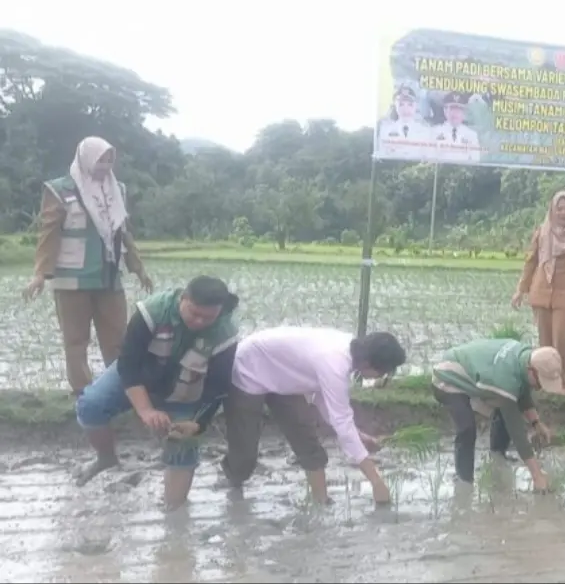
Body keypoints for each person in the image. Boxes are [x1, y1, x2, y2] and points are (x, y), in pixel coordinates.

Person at [73, 276, 240, 509]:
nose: (200, 321)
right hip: (140, 373)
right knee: (91, 405)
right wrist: (145, 410)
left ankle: (174, 513)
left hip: (187, 387)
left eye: (208, 317)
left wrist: (198, 424)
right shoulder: (151, 312)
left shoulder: (225, 335)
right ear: (183, 298)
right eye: (194, 313)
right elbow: (128, 365)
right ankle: (106, 457)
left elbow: (217, 388)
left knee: (184, 445)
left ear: (219, 312)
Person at [23, 136, 154, 396]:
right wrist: (39, 274)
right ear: (85, 159)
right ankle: (82, 392)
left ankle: (117, 389)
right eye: (99, 159)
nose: (104, 165)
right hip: (72, 279)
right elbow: (49, 233)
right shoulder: (60, 190)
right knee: (75, 340)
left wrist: (138, 268)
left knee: (118, 338)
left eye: (109, 160)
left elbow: (123, 232)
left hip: (109, 278)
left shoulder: (118, 190)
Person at [221, 326, 407, 506]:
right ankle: (234, 487)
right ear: (368, 363)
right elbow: (341, 421)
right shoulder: (334, 362)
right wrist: (376, 481)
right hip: (250, 367)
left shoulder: (347, 356)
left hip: (284, 378)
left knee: (306, 438)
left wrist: (358, 435)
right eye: (382, 372)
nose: (380, 377)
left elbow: (326, 403)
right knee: (244, 456)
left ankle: (321, 503)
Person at [431, 338, 565, 492]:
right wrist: (537, 476)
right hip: (448, 377)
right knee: (467, 428)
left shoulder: (524, 357)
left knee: (506, 401)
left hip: (480, 373)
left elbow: (522, 393)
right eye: (540, 382)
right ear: (531, 370)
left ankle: (497, 457)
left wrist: (536, 423)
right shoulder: (505, 380)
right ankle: (464, 482)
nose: (540, 387)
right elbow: (517, 431)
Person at [512, 190, 565, 389]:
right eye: (560, 209)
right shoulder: (542, 232)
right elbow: (531, 262)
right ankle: (544, 379)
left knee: (561, 337)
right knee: (544, 339)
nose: (563, 213)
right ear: (553, 210)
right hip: (541, 291)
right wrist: (520, 290)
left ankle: (564, 379)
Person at [376, 83, 433, 160]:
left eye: (410, 104)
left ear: (416, 106)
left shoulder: (425, 131)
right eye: (401, 104)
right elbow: (382, 155)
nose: (405, 109)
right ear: (395, 106)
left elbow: (428, 156)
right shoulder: (386, 130)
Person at [432, 91, 482, 163]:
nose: (455, 113)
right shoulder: (435, 132)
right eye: (452, 108)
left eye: (459, 109)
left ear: (464, 112)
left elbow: (475, 160)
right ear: (445, 111)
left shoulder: (472, 135)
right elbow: (429, 158)